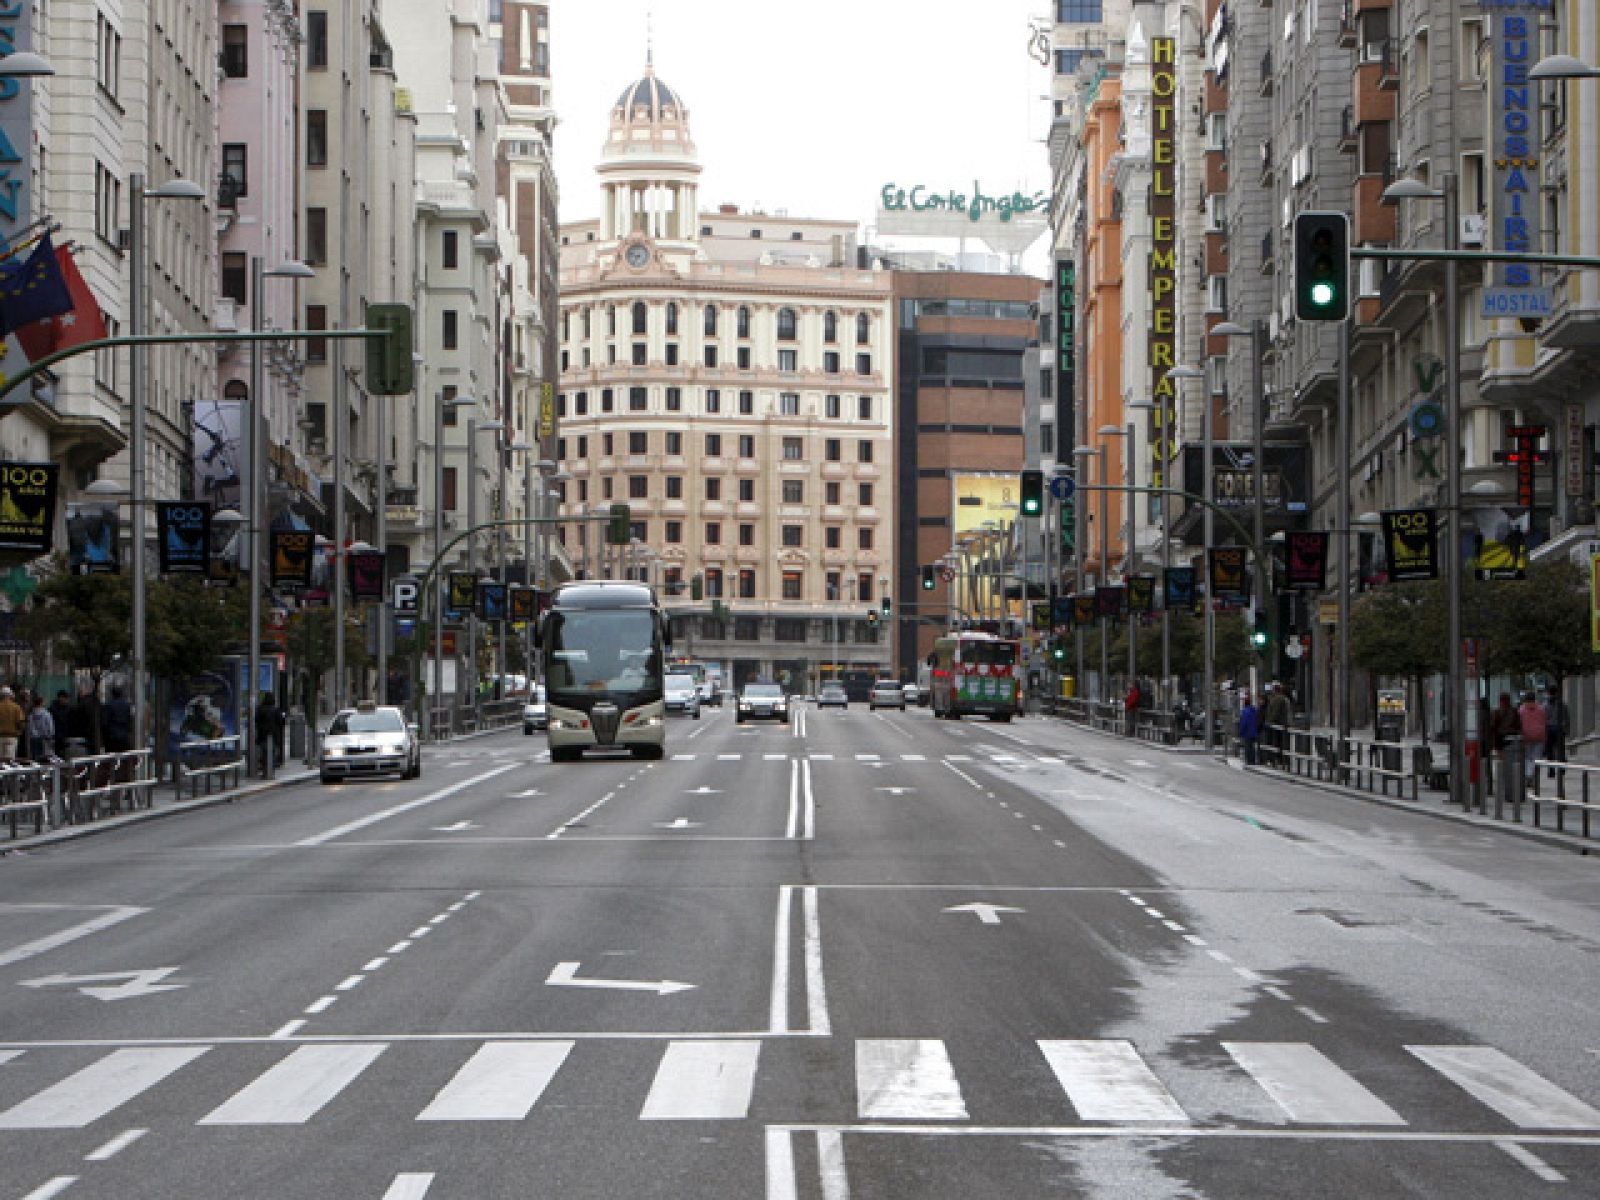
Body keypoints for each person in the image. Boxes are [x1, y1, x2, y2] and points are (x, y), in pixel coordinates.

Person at [1517, 692, 1547, 781]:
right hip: (1539, 737)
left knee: (1527, 757)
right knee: (1536, 758)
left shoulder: (1521, 710)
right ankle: (1533, 775)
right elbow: (1544, 721)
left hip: (1526, 737)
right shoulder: (1541, 709)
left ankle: (1528, 774)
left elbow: (1519, 723)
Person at [255, 692, 285, 775]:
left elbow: (256, 720)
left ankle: (265, 770)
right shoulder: (276, 710)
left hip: (262, 735)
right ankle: (270, 770)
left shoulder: (260, 709)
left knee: (264, 752)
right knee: (272, 752)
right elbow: (281, 722)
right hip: (273, 735)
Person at [1264, 683, 1293, 763]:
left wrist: (1269, 721)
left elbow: (1275, 712)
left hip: (1278, 724)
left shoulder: (1277, 699)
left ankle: (1277, 759)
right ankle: (1284, 759)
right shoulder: (1285, 699)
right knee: (1283, 743)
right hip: (1284, 724)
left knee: (1277, 743)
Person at [101, 685, 133, 753]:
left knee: (111, 758)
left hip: (112, 738)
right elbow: (130, 720)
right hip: (124, 737)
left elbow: (105, 722)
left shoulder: (108, 705)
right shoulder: (127, 705)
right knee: (124, 757)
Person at [1544, 688, 1569, 762]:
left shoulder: (1544, 705)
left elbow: (1543, 719)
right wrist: (1566, 729)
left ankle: (1553, 769)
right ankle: (1560, 766)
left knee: (1551, 749)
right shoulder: (1562, 704)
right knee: (1559, 748)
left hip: (1551, 729)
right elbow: (1567, 718)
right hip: (1557, 729)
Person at [27, 694, 55, 761]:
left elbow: (30, 727)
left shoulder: (31, 715)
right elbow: (50, 727)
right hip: (45, 739)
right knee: (46, 758)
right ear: (42, 703)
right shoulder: (46, 714)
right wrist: (50, 735)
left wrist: (34, 735)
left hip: (34, 739)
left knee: (35, 758)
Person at [1237, 690, 1261, 765]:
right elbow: (1257, 720)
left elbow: (1244, 722)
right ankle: (1253, 760)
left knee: (1248, 747)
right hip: (1254, 731)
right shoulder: (1254, 710)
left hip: (1247, 732)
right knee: (1253, 747)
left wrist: (1240, 731)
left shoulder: (1245, 711)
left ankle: (1249, 761)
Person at [0, 686, 24, 760]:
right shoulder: (16, 707)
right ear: (10, 695)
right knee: (9, 761)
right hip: (12, 737)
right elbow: (21, 722)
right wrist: (19, 732)